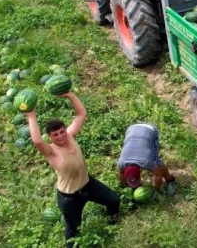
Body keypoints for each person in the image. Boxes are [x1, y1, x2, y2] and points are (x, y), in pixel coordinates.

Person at [25, 92, 120, 248]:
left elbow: (81, 114)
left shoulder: (70, 136)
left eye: (62, 131)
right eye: (55, 135)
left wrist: (69, 95)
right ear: (50, 137)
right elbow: (36, 141)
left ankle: (113, 222)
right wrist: (31, 116)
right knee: (73, 229)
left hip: (88, 185)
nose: (61, 136)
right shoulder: (52, 152)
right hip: (70, 198)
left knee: (114, 200)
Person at [117, 123, 177, 195]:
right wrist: (123, 186)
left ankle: (170, 180)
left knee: (157, 162)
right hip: (132, 128)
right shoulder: (121, 163)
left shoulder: (147, 163)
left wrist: (156, 190)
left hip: (149, 129)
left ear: (140, 172)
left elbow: (158, 174)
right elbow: (121, 174)